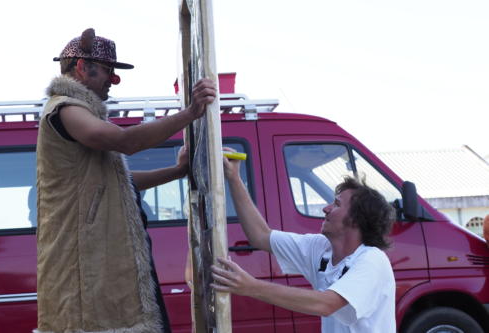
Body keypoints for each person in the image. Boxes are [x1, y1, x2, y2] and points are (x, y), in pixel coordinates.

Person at [35, 28, 216, 333]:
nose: (112, 80)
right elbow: (126, 141)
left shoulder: (82, 115)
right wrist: (190, 113)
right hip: (85, 269)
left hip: (100, 264)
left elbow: (120, 182)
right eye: (108, 71)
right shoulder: (64, 109)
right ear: (82, 67)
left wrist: (176, 171)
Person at [211, 151, 396, 333]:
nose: (326, 208)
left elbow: (327, 304)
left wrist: (251, 287)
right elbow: (260, 236)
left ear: (356, 220)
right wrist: (234, 178)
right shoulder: (321, 248)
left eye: (337, 204)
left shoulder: (372, 260)